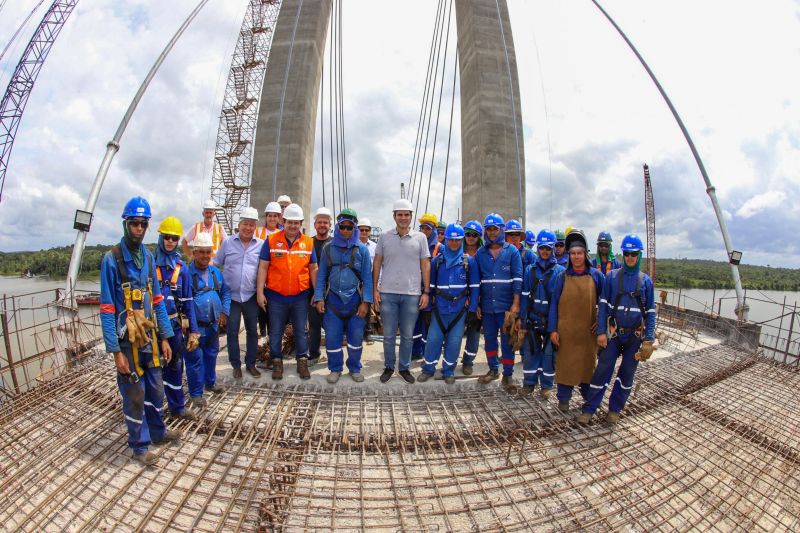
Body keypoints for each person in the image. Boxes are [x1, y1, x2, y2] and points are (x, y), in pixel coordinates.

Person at [100, 196, 177, 466]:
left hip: (150, 337)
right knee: (134, 393)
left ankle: (158, 433)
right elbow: (108, 308)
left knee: (155, 388)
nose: (139, 229)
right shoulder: (112, 260)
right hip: (127, 340)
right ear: (125, 224)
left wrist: (166, 337)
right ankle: (140, 446)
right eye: (134, 224)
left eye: (143, 224)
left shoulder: (148, 256)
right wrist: (114, 352)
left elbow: (157, 299)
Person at [578, 234, 656, 425]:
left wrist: (648, 339)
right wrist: (601, 332)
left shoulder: (646, 282)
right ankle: (589, 409)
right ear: (622, 253)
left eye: (633, 254)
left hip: (634, 337)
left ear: (639, 255)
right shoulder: (612, 277)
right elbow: (603, 306)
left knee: (626, 374)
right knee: (602, 370)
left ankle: (614, 410)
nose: (630, 258)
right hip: (613, 334)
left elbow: (651, 312)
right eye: (627, 253)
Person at [257, 203, 319, 380]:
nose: (293, 226)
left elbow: (314, 268)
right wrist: (260, 292)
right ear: (283, 222)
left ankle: (302, 361)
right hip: (276, 297)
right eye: (290, 222)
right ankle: (277, 362)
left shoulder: (308, 242)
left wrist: (317, 291)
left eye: (296, 223)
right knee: (276, 331)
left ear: (301, 223)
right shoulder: (271, 241)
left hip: (300, 297)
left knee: (301, 330)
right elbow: (262, 267)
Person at [373, 199, 431, 383]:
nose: (403, 218)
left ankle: (404, 368)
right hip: (388, 293)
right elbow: (377, 263)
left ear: (411, 216)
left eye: (406, 214)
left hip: (412, 294)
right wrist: (375, 289)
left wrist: (426, 292)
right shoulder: (384, 237)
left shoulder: (420, 238)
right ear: (394, 216)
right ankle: (389, 366)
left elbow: (425, 264)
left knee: (407, 335)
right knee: (389, 335)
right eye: (400, 214)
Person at [548, 229, 605, 412]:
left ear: (585, 254)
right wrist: (553, 330)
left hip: (588, 333)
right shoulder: (561, 277)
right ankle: (563, 399)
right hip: (566, 333)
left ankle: (589, 400)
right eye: (572, 253)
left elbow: (605, 303)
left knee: (588, 368)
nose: (576, 257)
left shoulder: (596, 276)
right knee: (565, 367)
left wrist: (602, 323)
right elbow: (554, 305)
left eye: (579, 253)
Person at [313, 209, 373, 383]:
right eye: (343, 227)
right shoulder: (328, 249)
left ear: (354, 228)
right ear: (338, 227)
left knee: (355, 338)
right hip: (333, 302)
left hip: (354, 301)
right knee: (332, 337)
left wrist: (366, 303)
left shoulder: (362, 250)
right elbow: (322, 275)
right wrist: (319, 298)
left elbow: (368, 279)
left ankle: (354, 368)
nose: (346, 230)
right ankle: (335, 369)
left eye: (349, 227)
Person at [418, 224, 479, 384]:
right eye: (451, 239)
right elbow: (430, 287)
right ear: (446, 239)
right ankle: (428, 369)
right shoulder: (437, 261)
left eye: (457, 240)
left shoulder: (469, 262)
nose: (453, 243)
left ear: (461, 240)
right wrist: (428, 310)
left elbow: (474, 288)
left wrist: (472, 310)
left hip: (458, 312)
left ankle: (448, 371)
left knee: (454, 342)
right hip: (439, 311)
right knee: (433, 340)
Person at [155, 216, 200, 420]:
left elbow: (189, 302)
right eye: (167, 237)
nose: (171, 242)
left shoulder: (182, 270)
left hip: (174, 326)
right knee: (152, 370)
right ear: (161, 238)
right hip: (152, 327)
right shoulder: (149, 265)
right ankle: (153, 412)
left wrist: (194, 332)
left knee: (175, 367)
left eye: (174, 238)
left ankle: (177, 408)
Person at [474, 213, 523, 390]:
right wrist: (477, 304)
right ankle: (493, 369)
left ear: (502, 230)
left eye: (495, 229)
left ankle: (507, 375)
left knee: (507, 341)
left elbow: (518, 278)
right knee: (489, 340)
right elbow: (476, 281)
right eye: (489, 229)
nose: (492, 232)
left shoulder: (512, 252)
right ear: (485, 231)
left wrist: (516, 303)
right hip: (487, 306)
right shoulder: (480, 253)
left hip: (506, 306)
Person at [214, 206, 263, 379]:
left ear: (255, 226)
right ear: (239, 225)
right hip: (231, 296)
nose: (248, 228)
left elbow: (264, 269)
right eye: (245, 224)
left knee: (252, 331)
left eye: (251, 225)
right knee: (232, 331)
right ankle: (236, 365)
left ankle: (251, 364)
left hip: (250, 295)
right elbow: (216, 263)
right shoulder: (227, 242)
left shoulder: (260, 245)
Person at [185, 233, 230, 407]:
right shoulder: (187, 274)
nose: (205, 256)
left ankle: (210, 383)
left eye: (208, 252)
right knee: (194, 360)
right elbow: (184, 302)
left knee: (211, 355)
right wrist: (191, 328)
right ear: (194, 253)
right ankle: (196, 393)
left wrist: (224, 311)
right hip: (195, 328)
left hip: (212, 326)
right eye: (201, 252)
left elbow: (225, 292)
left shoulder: (215, 272)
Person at [519, 229, 565, 398]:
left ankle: (546, 386)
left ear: (553, 249)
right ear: (538, 248)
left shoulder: (560, 272)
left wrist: (555, 326)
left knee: (548, 354)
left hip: (550, 321)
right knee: (530, 353)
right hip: (532, 319)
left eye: (548, 248)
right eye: (542, 248)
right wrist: (522, 321)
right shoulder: (530, 270)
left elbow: (560, 302)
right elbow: (524, 296)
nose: (545, 252)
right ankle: (529, 384)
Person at [412, 212, 442, 360]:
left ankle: (427, 352)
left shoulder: (439, 248)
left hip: (431, 293)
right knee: (415, 322)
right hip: (415, 290)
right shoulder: (415, 244)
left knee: (429, 324)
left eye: (428, 228)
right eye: (422, 228)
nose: (424, 231)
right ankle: (416, 351)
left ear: (434, 230)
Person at [308, 206, 333, 365]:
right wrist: (315, 293)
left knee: (331, 327)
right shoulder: (308, 243)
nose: (322, 225)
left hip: (332, 292)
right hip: (312, 292)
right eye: (319, 222)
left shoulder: (334, 244)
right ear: (315, 224)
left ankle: (332, 356)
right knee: (314, 326)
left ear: (330, 225)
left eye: (325, 222)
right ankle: (314, 354)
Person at [255, 202, 282, 339]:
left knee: (272, 307)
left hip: (274, 275)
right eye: (270, 216)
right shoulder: (258, 231)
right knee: (260, 306)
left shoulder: (281, 233)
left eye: (275, 216)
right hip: (259, 272)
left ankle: (272, 336)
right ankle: (262, 331)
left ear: (279, 218)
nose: (272, 219)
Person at [460, 220, 483, 374]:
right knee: (453, 332)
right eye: (468, 234)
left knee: (474, 331)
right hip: (458, 299)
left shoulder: (484, 254)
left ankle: (468, 362)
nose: (471, 237)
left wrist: (478, 302)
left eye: (474, 235)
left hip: (477, 299)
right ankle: (449, 362)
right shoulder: (455, 250)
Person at [357, 217, 378, 344]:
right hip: (356, 280)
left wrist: (377, 284)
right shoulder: (352, 246)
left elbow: (378, 266)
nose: (364, 232)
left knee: (367, 305)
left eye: (366, 230)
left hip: (369, 280)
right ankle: (356, 333)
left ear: (370, 231)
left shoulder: (375, 247)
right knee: (355, 307)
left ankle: (368, 332)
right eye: (361, 230)